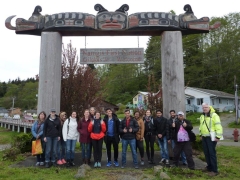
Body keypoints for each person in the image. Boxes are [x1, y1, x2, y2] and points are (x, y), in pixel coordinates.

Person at [199, 103, 223, 176]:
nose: (204, 109)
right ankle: (209, 167)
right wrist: (200, 134)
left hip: (211, 138)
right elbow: (201, 126)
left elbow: (218, 126)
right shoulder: (202, 116)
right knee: (206, 153)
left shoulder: (214, 115)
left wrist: (218, 136)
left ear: (209, 107)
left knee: (212, 153)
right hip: (204, 137)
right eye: (203, 107)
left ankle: (214, 170)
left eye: (206, 107)